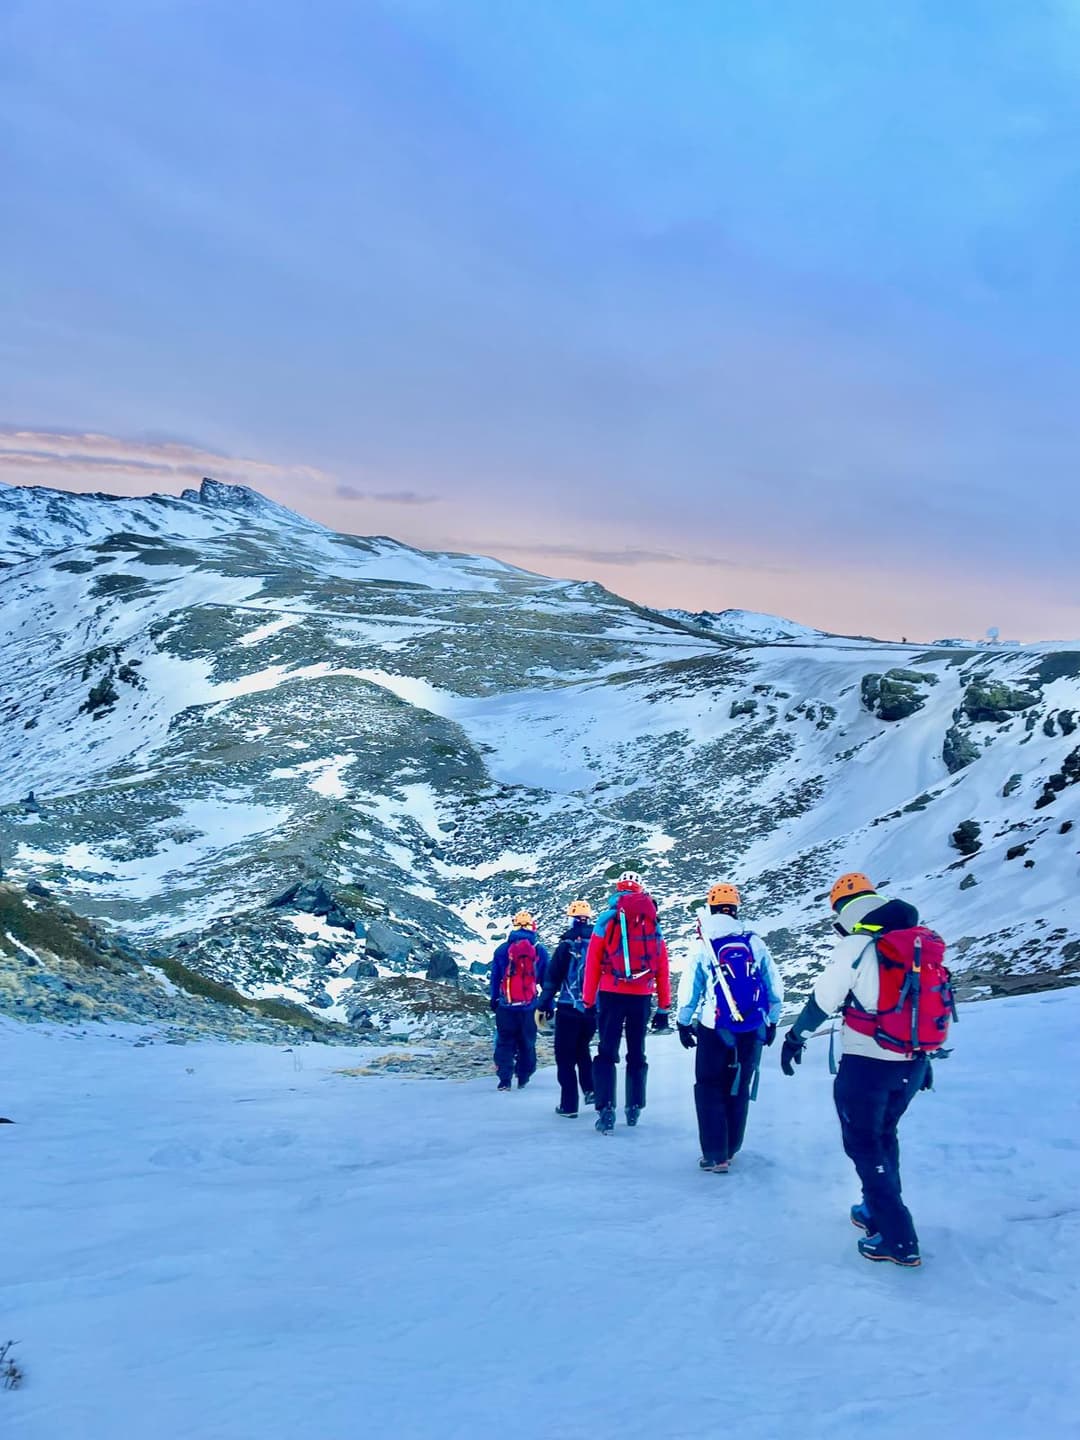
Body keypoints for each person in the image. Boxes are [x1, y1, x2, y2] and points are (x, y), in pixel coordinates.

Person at [780, 872, 955, 1268]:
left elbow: (823, 1000)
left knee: (863, 1143)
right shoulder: (916, 939)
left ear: (841, 912)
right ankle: (875, 1211)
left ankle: (897, 1238)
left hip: (868, 1062)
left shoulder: (858, 944)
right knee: (884, 1135)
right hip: (913, 1060)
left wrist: (795, 1038)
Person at [676, 882, 784, 1173]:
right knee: (738, 1085)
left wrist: (683, 1022)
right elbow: (773, 984)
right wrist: (772, 1020)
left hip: (714, 1026)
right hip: (750, 1028)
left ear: (711, 907)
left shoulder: (704, 943)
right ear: (735, 908)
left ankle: (715, 1154)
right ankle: (732, 1148)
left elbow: (691, 989)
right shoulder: (753, 941)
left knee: (709, 1087)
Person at [582, 870, 671, 1134]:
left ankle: (606, 1109)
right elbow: (662, 967)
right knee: (636, 1051)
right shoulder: (652, 920)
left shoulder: (606, 920)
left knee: (607, 1052)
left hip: (611, 992)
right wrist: (664, 1006)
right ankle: (634, 1108)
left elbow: (593, 964)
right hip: (641, 996)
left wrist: (588, 1001)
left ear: (618, 891)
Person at [536, 901, 597, 1117]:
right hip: (592, 1009)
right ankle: (591, 1090)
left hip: (568, 1007)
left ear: (570, 918)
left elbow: (552, 978)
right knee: (583, 1049)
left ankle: (569, 1105)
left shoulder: (567, 943)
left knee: (565, 1057)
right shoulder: (599, 942)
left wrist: (543, 1004)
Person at [490, 909, 550, 1092]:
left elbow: (495, 977)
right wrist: (547, 1003)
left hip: (506, 1006)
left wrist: (494, 998)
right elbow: (546, 980)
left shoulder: (502, 950)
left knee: (505, 1042)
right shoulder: (539, 950)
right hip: (529, 1006)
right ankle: (523, 1077)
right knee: (528, 1042)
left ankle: (504, 1080)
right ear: (533, 927)